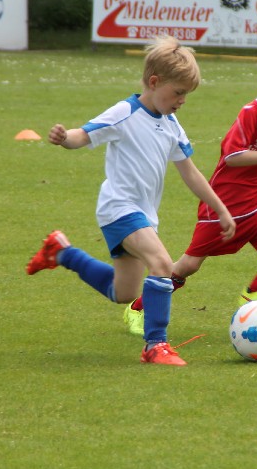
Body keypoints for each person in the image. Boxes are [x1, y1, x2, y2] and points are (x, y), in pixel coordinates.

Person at [26, 35, 236, 366]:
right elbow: (84, 134)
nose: (182, 100)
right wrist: (64, 138)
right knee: (163, 264)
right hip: (119, 209)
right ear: (154, 82)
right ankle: (156, 345)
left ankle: (61, 253)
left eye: (186, 94)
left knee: (123, 293)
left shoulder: (171, 124)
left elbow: (191, 173)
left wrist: (221, 208)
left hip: (143, 216)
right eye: (178, 92)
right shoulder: (126, 111)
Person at [123, 47, 257, 337]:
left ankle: (256, 292)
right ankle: (139, 307)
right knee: (189, 265)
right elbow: (233, 157)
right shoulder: (251, 114)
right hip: (225, 203)